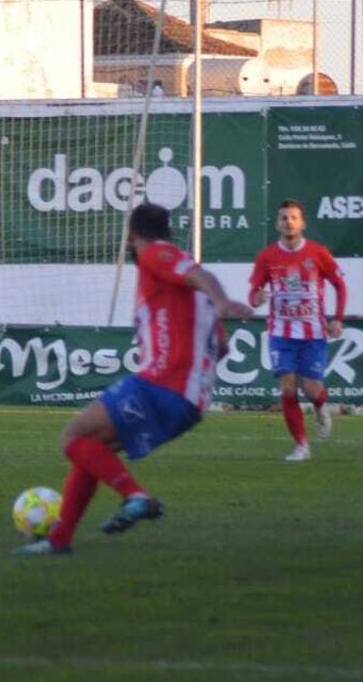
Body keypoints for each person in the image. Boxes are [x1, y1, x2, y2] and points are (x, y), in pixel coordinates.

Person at [18, 203, 251, 557]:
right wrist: (210, 312)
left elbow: (199, 274)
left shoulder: (158, 255)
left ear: (132, 236)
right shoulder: (187, 293)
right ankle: (59, 539)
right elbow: (222, 347)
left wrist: (222, 300)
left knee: (72, 437)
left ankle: (135, 495)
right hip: (190, 404)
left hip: (162, 383)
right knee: (92, 451)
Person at [248, 199, 346, 461]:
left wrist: (337, 318)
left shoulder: (317, 253)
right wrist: (256, 298)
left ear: (302, 223)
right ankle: (302, 445)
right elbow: (254, 293)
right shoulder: (267, 256)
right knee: (288, 388)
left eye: (293, 217)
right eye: (283, 218)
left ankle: (321, 406)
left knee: (312, 388)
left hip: (313, 333)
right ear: (277, 224)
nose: (288, 222)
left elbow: (340, 285)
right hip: (281, 333)